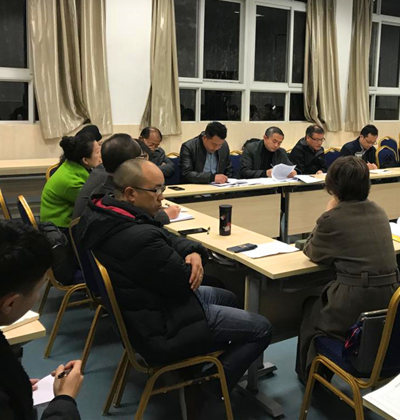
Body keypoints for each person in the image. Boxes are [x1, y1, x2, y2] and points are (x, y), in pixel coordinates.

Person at [76, 159, 272, 391]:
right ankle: (210, 386)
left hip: (143, 311)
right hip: (162, 328)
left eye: (163, 188)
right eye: (156, 190)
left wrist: (192, 250)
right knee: (262, 328)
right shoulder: (139, 238)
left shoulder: (108, 213)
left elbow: (164, 236)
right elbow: (184, 282)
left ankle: (208, 365)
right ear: (130, 193)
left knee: (228, 297)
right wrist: (196, 257)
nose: (161, 197)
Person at [0, 221, 84, 420]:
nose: (37, 297)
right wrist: (64, 400)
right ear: (9, 304)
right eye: (39, 289)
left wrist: (11, 388)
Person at [295, 156, 399, 381]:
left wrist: (328, 211)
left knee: (311, 308)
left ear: (333, 187)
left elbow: (312, 251)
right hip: (390, 301)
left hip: (356, 304)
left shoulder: (332, 218)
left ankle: (310, 377)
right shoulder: (380, 212)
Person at [40, 133, 102, 230]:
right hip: (60, 227)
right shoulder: (71, 182)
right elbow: (93, 204)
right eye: (98, 152)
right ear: (85, 160)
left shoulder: (73, 165)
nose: (101, 155)